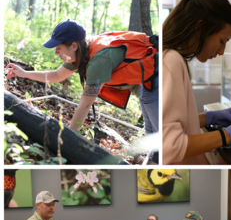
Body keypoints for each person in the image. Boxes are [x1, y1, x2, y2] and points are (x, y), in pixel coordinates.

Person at [5, 19, 159, 147]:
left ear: (74, 46)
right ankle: (156, 159)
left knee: (159, 133)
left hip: (159, 77)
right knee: (152, 132)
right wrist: (24, 73)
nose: (56, 53)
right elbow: (56, 75)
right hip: (146, 82)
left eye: (58, 48)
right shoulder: (81, 53)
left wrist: (67, 138)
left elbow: (85, 105)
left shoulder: (98, 61)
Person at [163, 0, 231, 164]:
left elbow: (171, 124)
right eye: (222, 41)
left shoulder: (172, 57)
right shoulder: (171, 60)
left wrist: (207, 118)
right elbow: (169, 146)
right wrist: (226, 135)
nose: (222, 51)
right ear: (199, 29)